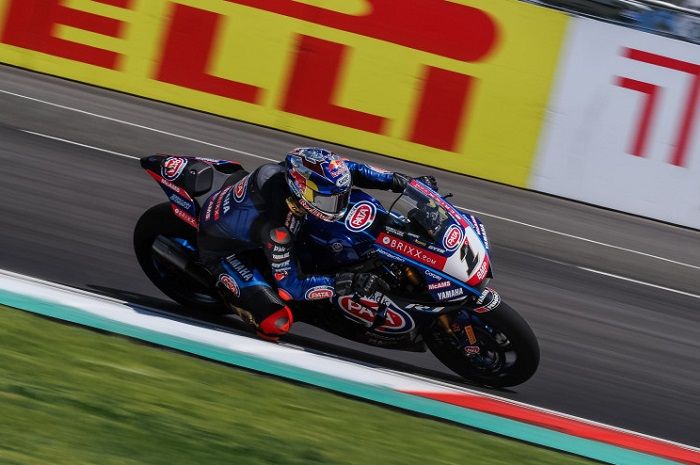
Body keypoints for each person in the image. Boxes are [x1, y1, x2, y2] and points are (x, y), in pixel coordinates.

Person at [197, 147, 437, 341]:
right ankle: (233, 294)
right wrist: (347, 281)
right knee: (276, 321)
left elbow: (352, 170)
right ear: (301, 192)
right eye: (330, 201)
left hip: (252, 218)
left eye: (340, 198)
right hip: (226, 252)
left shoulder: (303, 174)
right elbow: (291, 286)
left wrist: (403, 183)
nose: (339, 204)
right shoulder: (278, 230)